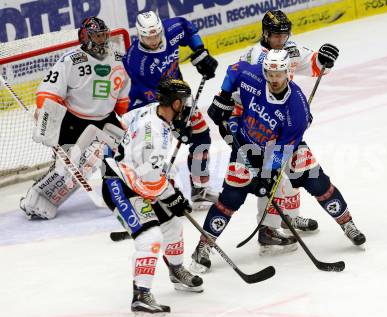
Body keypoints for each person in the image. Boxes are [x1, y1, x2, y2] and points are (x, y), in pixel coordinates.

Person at [190, 49, 366, 273]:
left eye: (279, 74)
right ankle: (203, 247)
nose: (274, 79)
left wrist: (268, 174)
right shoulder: (252, 76)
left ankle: (347, 223)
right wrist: (224, 97)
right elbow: (233, 70)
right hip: (246, 144)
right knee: (231, 198)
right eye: (270, 74)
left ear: (287, 72)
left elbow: (284, 148)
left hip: (283, 148)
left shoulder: (296, 108)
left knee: (317, 182)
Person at [237, 9, 341, 252]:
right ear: (265, 33)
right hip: (258, 125)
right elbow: (243, 93)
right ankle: (268, 230)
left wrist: (323, 59)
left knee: (294, 172)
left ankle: (290, 218)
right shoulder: (254, 57)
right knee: (271, 178)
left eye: (284, 35)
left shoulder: (288, 49)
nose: (280, 41)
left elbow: (314, 65)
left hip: (282, 123)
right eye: (275, 36)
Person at [102, 77, 203, 314]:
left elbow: (120, 123)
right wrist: (172, 196)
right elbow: (150, 177)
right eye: (184, 102)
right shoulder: (154, 136)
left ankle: (176, 271)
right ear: (175, 103)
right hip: (120, 185)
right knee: (150, 237)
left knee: (173, 224)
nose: (187, 107)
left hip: (136, 178)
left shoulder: (151, 111)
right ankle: (141, 296)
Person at [20, 16, 129, 220]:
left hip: (105, 119)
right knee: (67, 169)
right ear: (86, 37)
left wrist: (128, 116)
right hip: (73, 121)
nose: (102, 40)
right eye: (97, 37)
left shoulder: (119, 60)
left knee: (121, 156)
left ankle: (119, 193)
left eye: (104, 35)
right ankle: (36, 197)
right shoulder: (70, 60)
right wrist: (44, 113)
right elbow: (49, 92)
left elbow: (124, 100)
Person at [122, 11, 219, 211]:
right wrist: (175, 123)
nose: (154, 40)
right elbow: (154, 97)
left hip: (177, 97)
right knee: (158, 149)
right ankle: (160, 195)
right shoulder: (136, 61)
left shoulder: (172, 28)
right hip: (148, 106)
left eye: (157, 34)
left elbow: (189, 29)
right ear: (139, 35)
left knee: (201, 136)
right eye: (148, 37)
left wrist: (200, 52)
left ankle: (199, 188)